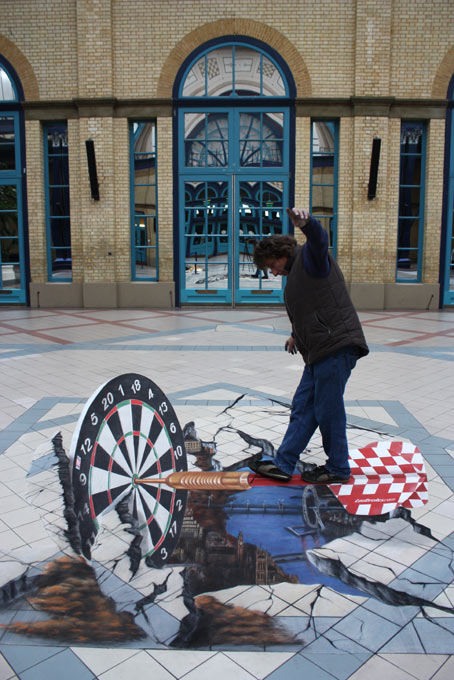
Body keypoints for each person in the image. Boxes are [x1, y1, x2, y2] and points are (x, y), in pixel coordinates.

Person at [249, 208, 369, 484]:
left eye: (271, 265)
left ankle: (338, 468)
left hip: (336, 345)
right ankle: (284, 463)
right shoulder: (297, 273)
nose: (272, 271)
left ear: (282, 254)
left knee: (328, 409)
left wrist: (308, 224)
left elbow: (319, 240)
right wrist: (295, 335)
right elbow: (310, 306)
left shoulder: (309, 258)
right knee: (303, 405)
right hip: (318, 351)